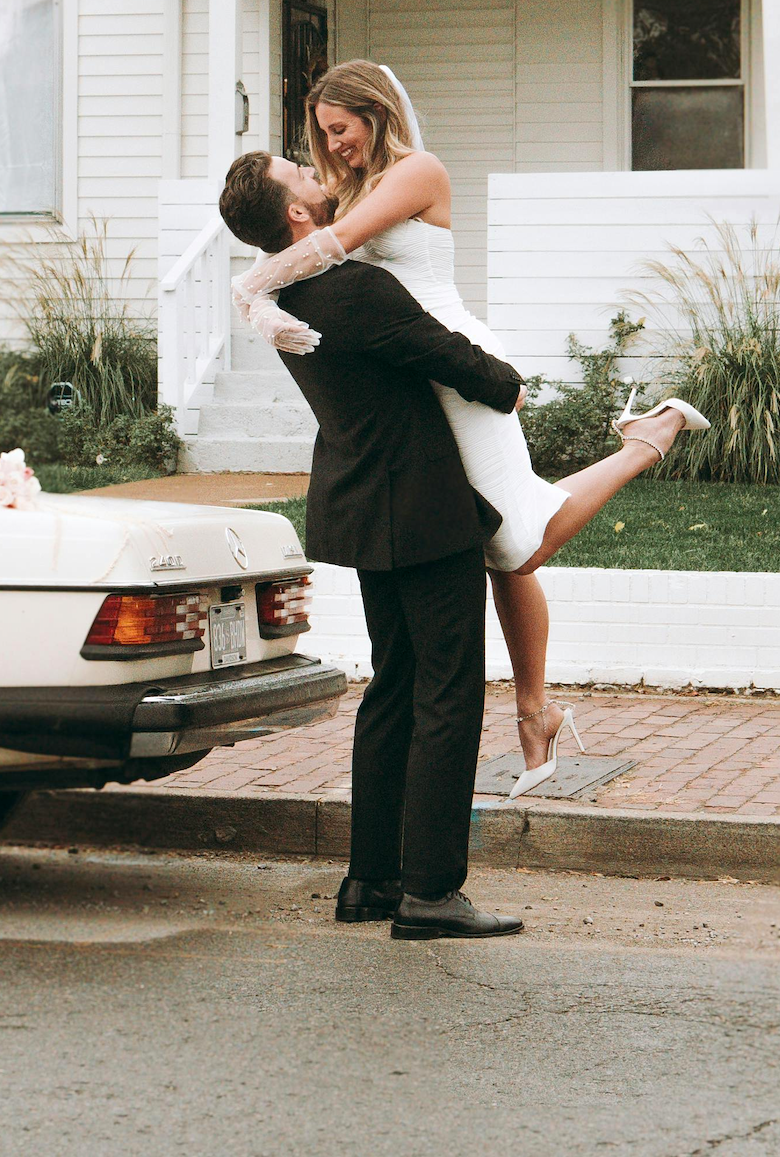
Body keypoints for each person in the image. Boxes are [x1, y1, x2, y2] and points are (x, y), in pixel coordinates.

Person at [233, 61, 705, 799]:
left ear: (376, 113)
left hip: (457, 365)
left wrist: (248, 291)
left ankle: (645, 442)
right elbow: (304, 249)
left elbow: (332, 245)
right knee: (487, 542)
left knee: (518, 544)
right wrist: (265, 291)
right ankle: (535, 714)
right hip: (412, 372)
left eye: (341, 129)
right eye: (323, 135)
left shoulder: (416, 172)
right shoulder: (345, 190)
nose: (333, 145)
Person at [217, 147, 529, 939]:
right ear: (296, 214)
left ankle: (371, 880)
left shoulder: (291, 297)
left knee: (394, 688)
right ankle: (432, 893)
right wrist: (508, 384)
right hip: (422, 507)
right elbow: (444, 354)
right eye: (300, 173)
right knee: (448, 694)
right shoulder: (353, 289)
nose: (315, 171)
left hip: (365, 505)